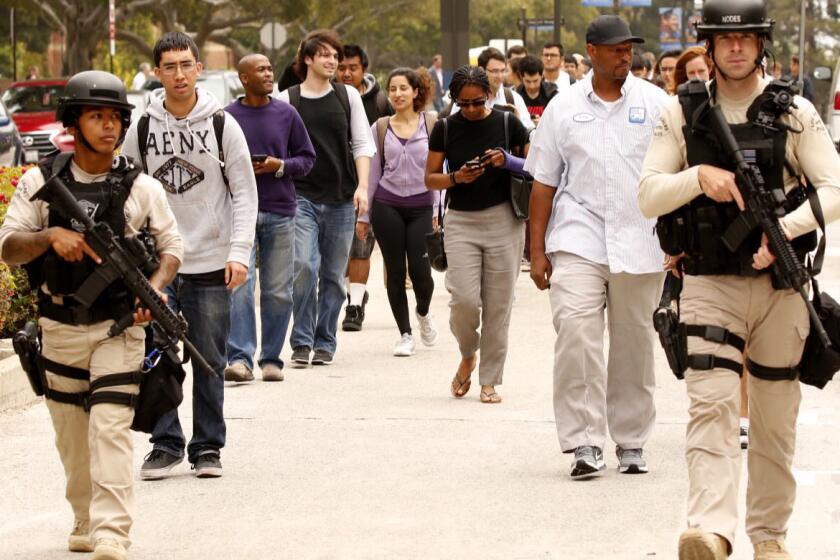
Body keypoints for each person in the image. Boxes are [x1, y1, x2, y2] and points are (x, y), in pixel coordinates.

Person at [638, 0, 840, 557]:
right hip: (707, 283)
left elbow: (834, 187)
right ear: (708, 45)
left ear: (760, 44)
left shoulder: (794, 110)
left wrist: (784, 235)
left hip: (781, 289)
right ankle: (710, 529)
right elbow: (648, 192)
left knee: (774, 425)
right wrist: (698, 177)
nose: (735, 48)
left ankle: (769, 537)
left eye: (747, 39)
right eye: (726, 40)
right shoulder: (682, 114)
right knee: (711, 409)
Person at [0, 70, 183, 560]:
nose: (109, 126)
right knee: (73, 441)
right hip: (58, 327)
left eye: (116, 118)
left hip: (118, 329)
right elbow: (9, 246)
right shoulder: (41, 181)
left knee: (110, 428)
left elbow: (171, 248)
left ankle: (111, 532)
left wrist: (157, 291)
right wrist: (48, 238)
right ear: (73, 122)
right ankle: (84, 516)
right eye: (96, 116)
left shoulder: (141, 187)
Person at [526, 15, 669, 480]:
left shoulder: (657, 104)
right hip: (577, 236)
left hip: (641, 238)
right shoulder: (563, 108)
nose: (624, 54)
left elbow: (676, 174)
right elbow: (544, 183)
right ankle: (585, 441)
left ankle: (631, 440)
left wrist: (679, 241)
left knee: (634, 343)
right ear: (591, 51)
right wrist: (537, 251)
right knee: (577, 335)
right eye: (614, 48)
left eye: (629, 48)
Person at [122, 31, 258, 480]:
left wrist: (238, 252)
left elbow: (244, 193)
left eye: (186, 65)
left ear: (198, 68)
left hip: (211, 261)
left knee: (208, 359)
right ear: (156, 73)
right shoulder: (142, 127)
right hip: (159, 266)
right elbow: (125, 192)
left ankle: (206, 448)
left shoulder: (222, 124)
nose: (178, 74)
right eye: (169, 67)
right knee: (157, 356)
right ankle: (165, 443)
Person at [425, 66, 530, 404]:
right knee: (464, 302)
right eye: (463, 103)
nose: (470, 109)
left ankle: (490, 380)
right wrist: (456, 178)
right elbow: (430, 178)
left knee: (499, 306)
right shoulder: (444, 128)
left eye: (477, 102)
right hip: (461, 222)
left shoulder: (507, 122)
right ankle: (468, 353)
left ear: (489, 95)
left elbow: (536, 166)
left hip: (504, 220)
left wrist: (506, 160)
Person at [277, 29, 375, 367]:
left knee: (334, 276)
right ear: (307, 59)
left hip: (341, 198)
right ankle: (301, 340)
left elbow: (362, 144)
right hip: (300, 196)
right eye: (325, 55)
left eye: (336, 55)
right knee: (304, 266)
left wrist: (363, 187)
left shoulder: (347, 96)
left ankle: (325, 340)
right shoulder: (288, 99)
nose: (333, 61)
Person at [223, 54, 316, 383]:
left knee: (277, 290)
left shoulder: (286, 113)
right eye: (260, 70)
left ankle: (271, 358)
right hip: (238, 215)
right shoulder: (227, 118)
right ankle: (240, 359)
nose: (268, 74)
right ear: (244, 78)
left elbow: (307, 159)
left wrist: (279, 166)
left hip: (280, 210)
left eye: (269, 69)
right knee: (240, 287)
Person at [359, 68, 439, 356]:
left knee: (421, 272)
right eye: (392, 89)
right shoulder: (380, 127)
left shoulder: (432, 124)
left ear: (416, 92)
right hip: (387, 204)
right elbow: (372, 175)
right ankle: (405, 334)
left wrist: (439, 209)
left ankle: (423, 312)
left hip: (422, 206)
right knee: (394, 270)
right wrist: (364, 216)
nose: (397, 94)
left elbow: (441, 170)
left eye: (403, 88)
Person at [337, 44, 394, 332]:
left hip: (369, 186)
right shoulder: (324, 97)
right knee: (337, 253)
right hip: (331, 187)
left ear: (364, 70)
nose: (347, 73)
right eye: (341, 67)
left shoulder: (381, 102)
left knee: (360, 248)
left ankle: (354, 306)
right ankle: (353, 290)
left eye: (353, 67)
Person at [515, 55, 558, 127]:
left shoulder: (552, 94)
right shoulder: (515, 96)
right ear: (521, 77)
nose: (532, 86)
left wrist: (543, 123)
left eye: (535, 81)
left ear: (542, 76)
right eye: (528, 81)